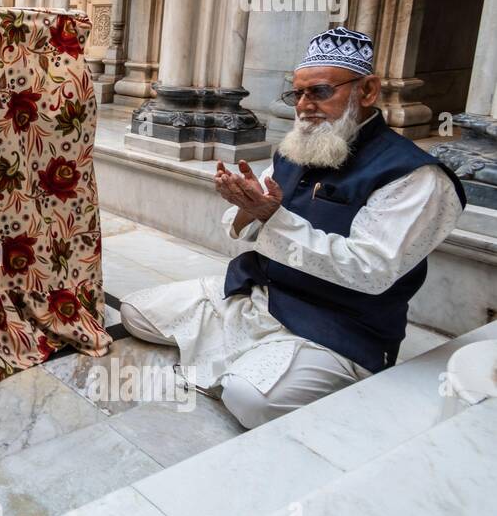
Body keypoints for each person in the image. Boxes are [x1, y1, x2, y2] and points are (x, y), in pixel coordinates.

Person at [120, 27, 466, 429]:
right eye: (297, 94)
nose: (304, 106)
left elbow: (370, 270)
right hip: (261, 298)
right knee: (136, 312)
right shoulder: (300, 147)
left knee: (249, 399)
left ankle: (274, 367)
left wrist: (272, 217)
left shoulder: (415, 176)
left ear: (367, 91)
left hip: (335, 326)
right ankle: (249, 352)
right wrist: (247, 207)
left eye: (319, 92)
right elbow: (244, 227)